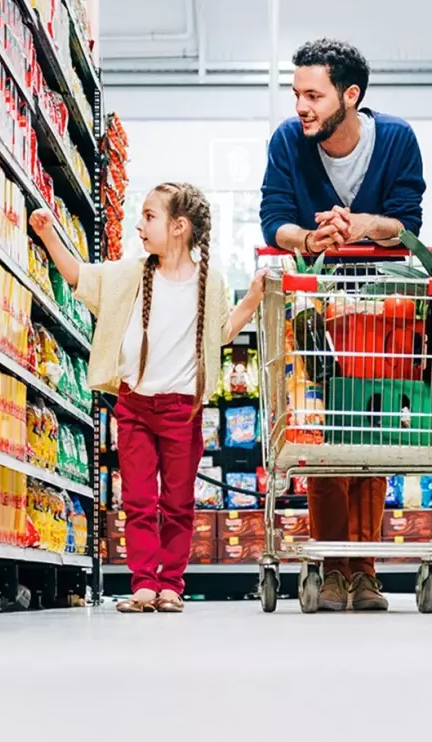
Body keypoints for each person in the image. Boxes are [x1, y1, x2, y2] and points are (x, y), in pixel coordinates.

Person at [30, 183, 264, 613]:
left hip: (182, 410)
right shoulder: (131, 274)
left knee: (178, 502)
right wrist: (48, 235)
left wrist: (251, 299)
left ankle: (171, 584)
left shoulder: (209, 283)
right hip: (135, 406)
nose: (140, 225)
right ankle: (143, 584)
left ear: (179, 227)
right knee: (138, 499)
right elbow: (79, 276)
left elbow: (219, 335)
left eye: (150, 217)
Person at [260, 38, 426, 612]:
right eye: (297, 93)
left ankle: (366, 570)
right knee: (327, 432)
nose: (301, 106)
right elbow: (274, 218)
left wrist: (360, 226)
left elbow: (407, 224)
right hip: (317, 304)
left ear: (349, 95)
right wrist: (308, 238)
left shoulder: (398, 140)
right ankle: (333, 567)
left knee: (374, 431)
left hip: (384, 308)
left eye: (313, 94)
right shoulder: (288, 141)